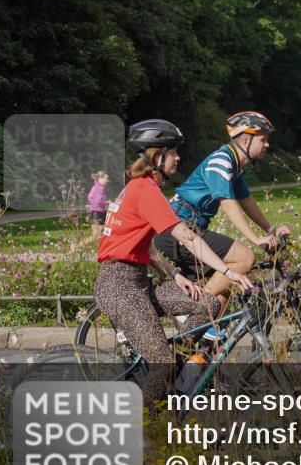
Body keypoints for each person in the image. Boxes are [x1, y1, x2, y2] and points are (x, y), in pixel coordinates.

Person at [94, 119, 254, 408]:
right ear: (157, 155)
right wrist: (228, 270)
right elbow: (186, 237)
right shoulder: (143, 189)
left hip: (138, 282)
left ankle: (179, 371)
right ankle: (143, 423)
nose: (178, 157)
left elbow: (147, 246)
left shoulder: (142, 188)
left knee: (208, 305)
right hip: (119, 287)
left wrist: (174, 273)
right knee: (162, 362)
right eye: (173, 151)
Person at [152, 111, 290, 337]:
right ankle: (194, 315)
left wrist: (271, 230)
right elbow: (227, 203)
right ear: (245, 140)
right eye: (263, 139)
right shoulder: (221, 161)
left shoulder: (235, 166)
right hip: (176, 229)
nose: (267, 144)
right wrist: (255, 239)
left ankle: (197, 344)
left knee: (223, 291)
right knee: (244, 258)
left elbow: (246, 201)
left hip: (189, 227)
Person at [87, 171, 110, 241]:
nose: (107, 181)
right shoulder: (98, 188)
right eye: (106, 179)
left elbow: (89, 197)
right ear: (100, 178)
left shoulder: (100, 187)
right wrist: (106, 202)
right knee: (95, 236)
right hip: (97, 213)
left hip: (100, 211)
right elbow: (97, 201)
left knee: (103, 234)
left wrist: (92, 204)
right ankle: (76, 248)